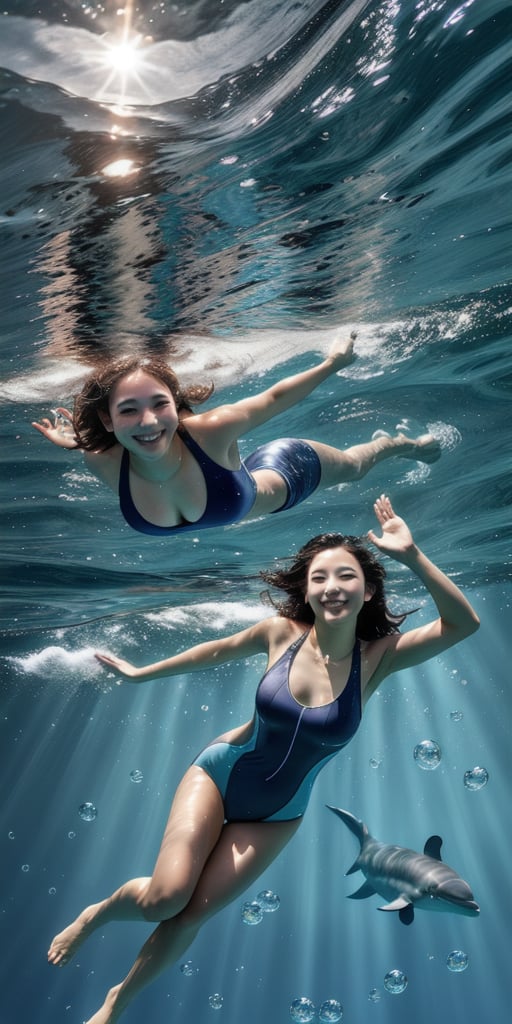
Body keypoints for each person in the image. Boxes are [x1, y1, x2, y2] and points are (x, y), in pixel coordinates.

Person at [47, 495, 479, 1024]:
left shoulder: (379, 658)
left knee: (191, 917)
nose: (332, 587)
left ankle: (116, 1003)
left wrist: (412, 555)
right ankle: (97, 914)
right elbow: (212, 651)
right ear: (306, 588)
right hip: (219, 775)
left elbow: (463, 624)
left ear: (367, 590)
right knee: (165, 899)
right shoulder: (281, 635)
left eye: (346, 576)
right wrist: (141, 674)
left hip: (277, 815)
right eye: (319, 578)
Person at [32, 335, 441, 536]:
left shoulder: (210, 431)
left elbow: (275, 397)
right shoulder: (100, 459)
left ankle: (402, 444)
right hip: (237, 483)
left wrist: (333, 362)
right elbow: (100, 444)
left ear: (176, 406)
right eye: (128, 410)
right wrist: (75, 440)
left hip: (287, 471)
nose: (148, 421)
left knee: (353, 468)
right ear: (108, 420)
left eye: (160, 404)